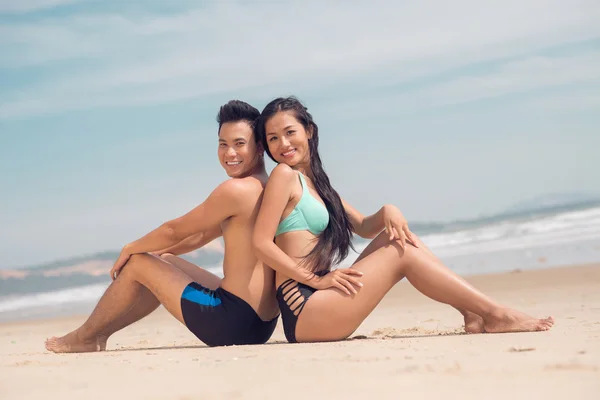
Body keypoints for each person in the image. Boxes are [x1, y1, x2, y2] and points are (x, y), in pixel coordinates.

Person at [252, 96, 554, 344]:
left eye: (290, 132)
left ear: (309, 131)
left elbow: (365, 227)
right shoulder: (283, 176)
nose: (283, 144)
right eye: (273, 138)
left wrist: (388, 210)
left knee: (396, 239)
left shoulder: (318, 185)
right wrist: (316, 280)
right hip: (305, 308)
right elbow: (261, 243)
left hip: (318, 302)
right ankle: (494, 314)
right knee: (403, 251)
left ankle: (474, 313)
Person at [45, 100, 279, 353]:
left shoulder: (235, 190)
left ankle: (85, 336)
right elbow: (198, 237)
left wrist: (131, 249)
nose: (229, 153)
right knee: (162, 260)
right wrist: (156, 258)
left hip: (231, 323)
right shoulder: (268, 186)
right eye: (223, 144)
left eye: (239, 144)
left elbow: (175, 230)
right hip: (261, 324)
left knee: (138, 262)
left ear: (259, 147)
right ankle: (99, 334)